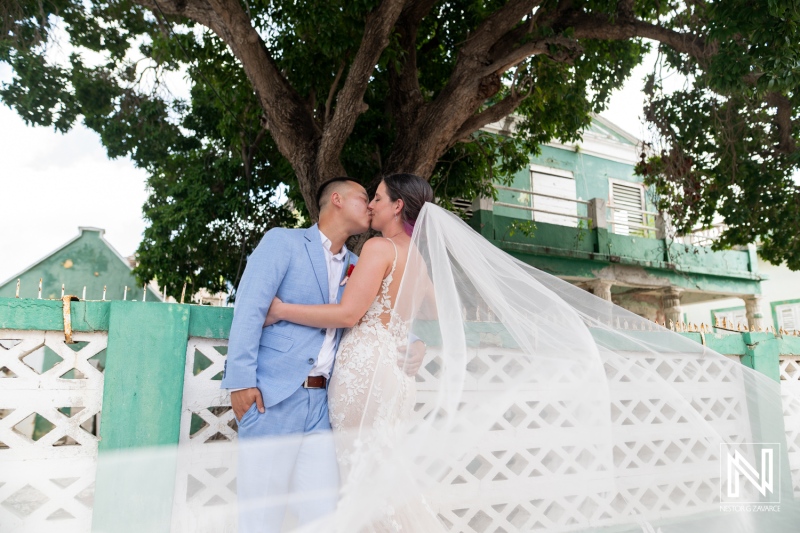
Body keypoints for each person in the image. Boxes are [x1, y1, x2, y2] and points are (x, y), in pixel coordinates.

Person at [221, 177, 376, 532]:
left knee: (322, 516)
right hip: (272, 397)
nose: (369, 206)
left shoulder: (358, 263)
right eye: (363, 198)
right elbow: (249, 309)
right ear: (336, 199)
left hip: (324, 404)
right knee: (261, 517)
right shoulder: (283, 242)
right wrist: (242, 381)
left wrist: (411, 342)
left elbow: (379, 315)